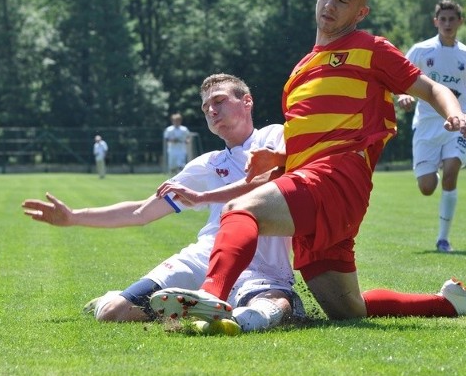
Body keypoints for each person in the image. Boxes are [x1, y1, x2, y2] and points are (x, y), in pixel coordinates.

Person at [150, 0, 466, 324]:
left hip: (337, 179)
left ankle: (210, 296)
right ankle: (449, 303)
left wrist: (457, 115)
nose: (330, 5)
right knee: (348, 310)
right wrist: (281, 157)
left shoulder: (372, 49)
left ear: (360, 13)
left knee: (240, 210)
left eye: (343, 0)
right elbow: (317, 135)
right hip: (316, 186)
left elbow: (432, 88)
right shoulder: (299, 73)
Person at [22, 73, 304, 335]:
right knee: (112, 313)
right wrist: (73, 217)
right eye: (206, 108)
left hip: (263, 263)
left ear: (247, 101)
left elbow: (270, 179)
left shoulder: (274, 136)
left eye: (219, 101)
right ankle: (112, 299)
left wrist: (203, 198)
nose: (212, 111)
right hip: (203, 258)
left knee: (274, 305)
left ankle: (234, 318)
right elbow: (141, 212)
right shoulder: (206, 165)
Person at [397, 0, 466, 253]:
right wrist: (403, 96)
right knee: (427, 188)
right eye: (443, 19)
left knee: (451, 172)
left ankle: (443, 239)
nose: (448, 24)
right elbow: (398, 80)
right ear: (435, 21)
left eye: (453, 19)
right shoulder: (420, 50)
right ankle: (431, 167)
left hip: (460, 122)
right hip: (427, 125)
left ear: (460, 22)